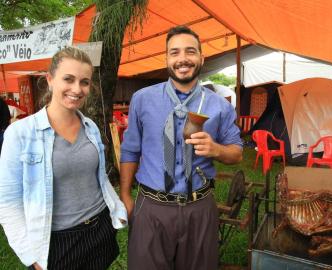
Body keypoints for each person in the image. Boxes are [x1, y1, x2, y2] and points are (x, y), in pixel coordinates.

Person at [120, 25, 243, 270]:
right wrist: (125, 195)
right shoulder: (142, 99)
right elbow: (130, 149)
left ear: (201, 57)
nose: (183, 59)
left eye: (190, 51)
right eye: (174, 52)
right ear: (166, 58)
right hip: (151, 207)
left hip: (199, 208)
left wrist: (216, 149)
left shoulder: (220, 106)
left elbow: (237, 152)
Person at [0, 47, 127, 270]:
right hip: (56, 241)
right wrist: (32, 256)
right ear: (50, 79)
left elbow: (98, 176)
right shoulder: (20, 133)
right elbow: (8, 203)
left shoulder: (91, 127)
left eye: (84, 82)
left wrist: (115, 209)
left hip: (100, 230)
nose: (77, 89)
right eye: (68, 79)